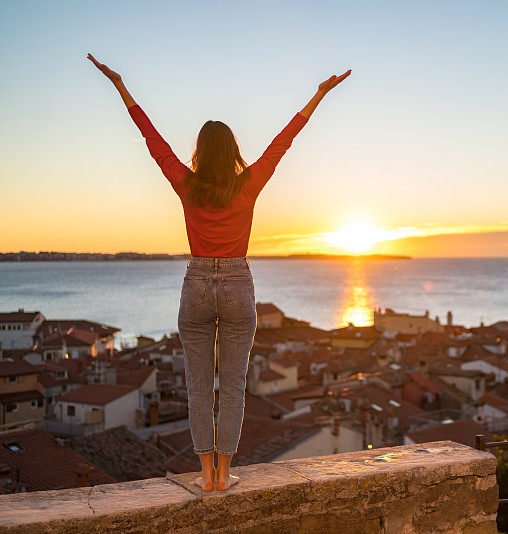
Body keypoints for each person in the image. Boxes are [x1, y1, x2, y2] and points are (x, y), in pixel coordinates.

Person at [88, 53, 350, 491]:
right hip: (236, 285)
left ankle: (205, 472)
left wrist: (120, 86)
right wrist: (318, 95)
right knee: (232, 387)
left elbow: (153, 140)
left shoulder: (186, 185)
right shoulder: (247, 185)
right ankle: (225, 473)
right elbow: (283, 142)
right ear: (232, 152)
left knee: (198, 387)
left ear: (199, 152)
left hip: (195, 286)